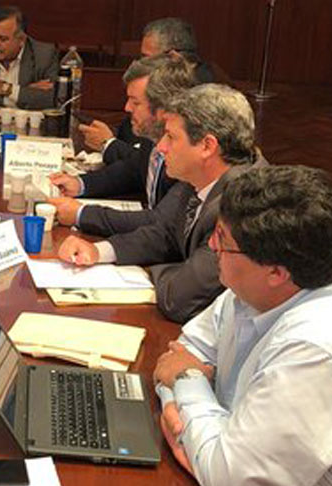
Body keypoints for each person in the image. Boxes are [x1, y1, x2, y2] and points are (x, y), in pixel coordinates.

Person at [153, 165, 332, 486]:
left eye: (222, 240)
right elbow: (180, 354)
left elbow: (229, 483)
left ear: (276, 273)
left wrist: (187, 382)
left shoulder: (320, 346)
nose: (212, 246)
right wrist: (191, 420)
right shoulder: (268, 285)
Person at [58, 84, 261, 323]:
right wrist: (99, 251)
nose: (161, 147)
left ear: (207, 146)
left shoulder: (244, 204)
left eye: (171, 137)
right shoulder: (200, 176)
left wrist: (148, 272)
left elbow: (180, 298)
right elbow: (164, 234)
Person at [48, 54, 197, 233]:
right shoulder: (152, 137)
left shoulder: (188, 154)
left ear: (163, 109)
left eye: (135, 102)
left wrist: (81, 214)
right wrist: (80, 184)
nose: (127, 108)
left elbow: (160, 221)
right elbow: (132, 170)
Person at [79, 17, 215, 160]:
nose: (141, 63)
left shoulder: (197, 99)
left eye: (147, 58)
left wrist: (109, 144)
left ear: (173, 57)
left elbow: (148, 160)